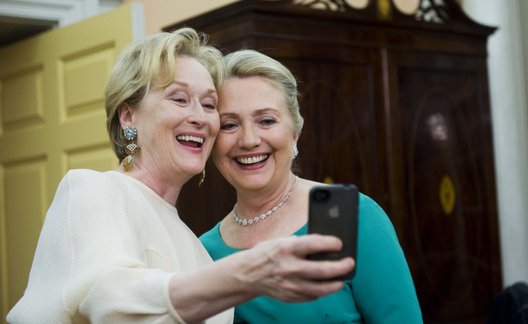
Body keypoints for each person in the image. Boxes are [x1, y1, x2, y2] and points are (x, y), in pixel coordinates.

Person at [6, 28, 355, 324]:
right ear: (129, 116)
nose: (200, 117)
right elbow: (108, 297)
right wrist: (251, 272)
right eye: (179, 98)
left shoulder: (195, 245)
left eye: (208, 104)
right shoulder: (92, 190)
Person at [200, 49, 423, 323]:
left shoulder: (346, 214)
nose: (248, 140)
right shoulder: (204, 250)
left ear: (295, 132)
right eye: (229, 124)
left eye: (266, 121)